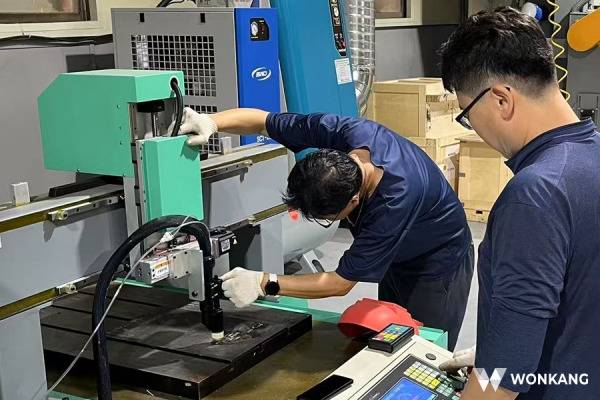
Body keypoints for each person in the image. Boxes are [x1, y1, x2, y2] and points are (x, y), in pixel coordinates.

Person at [177, 107, 473, 350]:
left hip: (436, 263)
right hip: (397, 259)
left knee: (424, 347)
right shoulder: (346, 132)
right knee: (391, 337)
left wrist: (264, 282)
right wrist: (212, 122)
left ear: (354, 200)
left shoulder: (394, 203)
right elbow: (264, 121)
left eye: (327, 218)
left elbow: (340, 283)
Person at [438, 7, 600, 400]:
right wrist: (499, 345)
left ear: (500, 100)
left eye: (467, 115)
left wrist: (494, 366)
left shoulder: (536, 195)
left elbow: (503, 380)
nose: (474, 128)